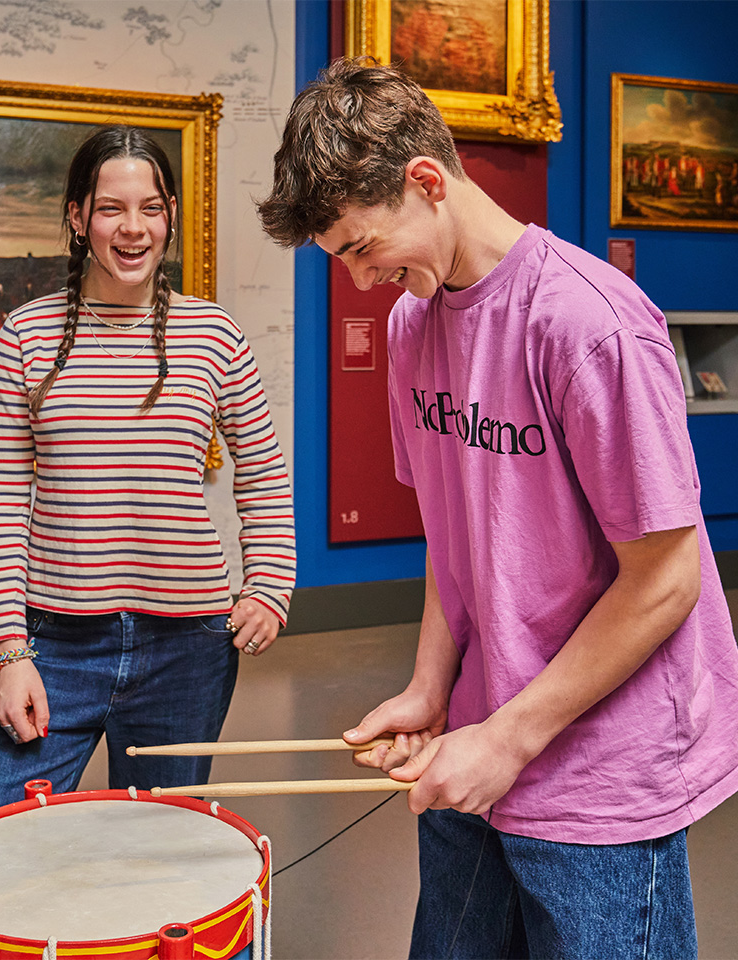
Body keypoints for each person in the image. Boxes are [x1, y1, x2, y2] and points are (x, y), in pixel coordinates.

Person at [257, 58, 738, 960]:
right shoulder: (414, 322)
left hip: (601, 767)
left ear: (427, 183)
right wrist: (432, 689)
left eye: (362, 248)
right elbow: (457, 530)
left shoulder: (590, 324)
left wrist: (508, 739)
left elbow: (666, 582)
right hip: (478, 734)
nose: (360, 281)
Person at [0, 125, 295, 833]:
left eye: (151, 207)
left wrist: (269, 583)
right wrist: (9, 650)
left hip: (188, 647)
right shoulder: (25, 336)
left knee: (155, 852)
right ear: (78, 217)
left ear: (169, 216)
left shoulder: (214, 335)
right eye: (110, 208)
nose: (133, 229)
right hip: (55, 645)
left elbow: (262, 472)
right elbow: (4, 501)